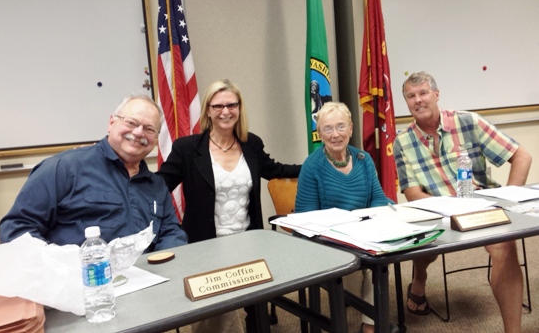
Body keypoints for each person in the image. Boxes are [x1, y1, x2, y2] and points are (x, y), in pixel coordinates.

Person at [157, 79, 301, 333]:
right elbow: (159, 186)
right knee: (217, 316)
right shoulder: (188, 149)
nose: (226, 111)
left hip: (248, 240)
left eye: (231, 105)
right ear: (208, 110)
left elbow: (275, 169)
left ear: (239, 108)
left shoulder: (251, 143)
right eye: (218, 105)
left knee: (256, 303)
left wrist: (313, 166)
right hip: (205, 244)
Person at [394, 71, 532, 333]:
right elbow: (412, 194)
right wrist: (448, 209)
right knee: (421, 238)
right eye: (411, 96)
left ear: (436, 94)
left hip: (482, 206)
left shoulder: (469, 122)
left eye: (423, 93)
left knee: (505, 245)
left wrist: (509, 203)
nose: (418, 100)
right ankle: (419, 278)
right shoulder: (402, 142)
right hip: (436, 210)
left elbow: (522, 157)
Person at [0, 94, 188, 252]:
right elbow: (16, 230)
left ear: (155, 139)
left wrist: (169, 265)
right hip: (80, 285)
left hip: (147, 283)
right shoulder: (63, 168)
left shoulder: (156, 184)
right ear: (111, 122)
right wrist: (64, 266)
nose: (139, 133)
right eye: (131, 123)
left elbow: (170, 232)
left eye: (149, 129)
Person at [294, 102, 396, 333]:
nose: (335, 134)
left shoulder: (363, 159)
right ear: (320, 134)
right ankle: (351, 312)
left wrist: (390, 211)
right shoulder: (312, 166)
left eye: (341, 127)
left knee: (376, 262)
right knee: (357, 266)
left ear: (350, 128)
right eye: (328, 129)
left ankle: (369, 327)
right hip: (329, 242)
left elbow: (378, 198)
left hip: (364, 237)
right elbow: (306, 217)